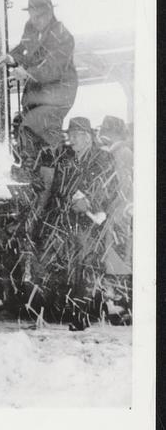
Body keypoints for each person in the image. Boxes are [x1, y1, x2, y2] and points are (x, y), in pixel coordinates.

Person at [35, 116, 117, 330]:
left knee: (88, 266)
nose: (75, 140)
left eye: (80, 135)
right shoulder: (64, 159)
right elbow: (57, 189)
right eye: (71, 135)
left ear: (89, 137)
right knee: (69, 267)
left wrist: (90, 202)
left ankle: (82, 315)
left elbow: (110, 187)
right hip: (67, 220)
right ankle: (81, 311)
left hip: (93, 222)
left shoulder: (103, 159)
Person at [0, 0, 77, 180]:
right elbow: (23, 49)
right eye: (31, 16)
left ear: (49, 13)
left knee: (31, 124)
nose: (34, 21)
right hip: (38, 93)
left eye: (38, 16)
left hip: (59, 94)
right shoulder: (30, 27)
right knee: (29, 127)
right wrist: (11, 58)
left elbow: (54, 68)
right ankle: (45, 171)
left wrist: (27, 73)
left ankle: (31, 170)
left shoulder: (63, 36)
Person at [97, 115, 133, 320]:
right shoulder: (119, 152)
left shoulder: (121, 153)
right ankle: (116, 303)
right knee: (114, 259)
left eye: (106, 131)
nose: (103, 135)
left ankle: (120, 305)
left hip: (119, 214)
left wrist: (109, 206)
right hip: (117, 213)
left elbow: (121, 185)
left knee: (117, 259)